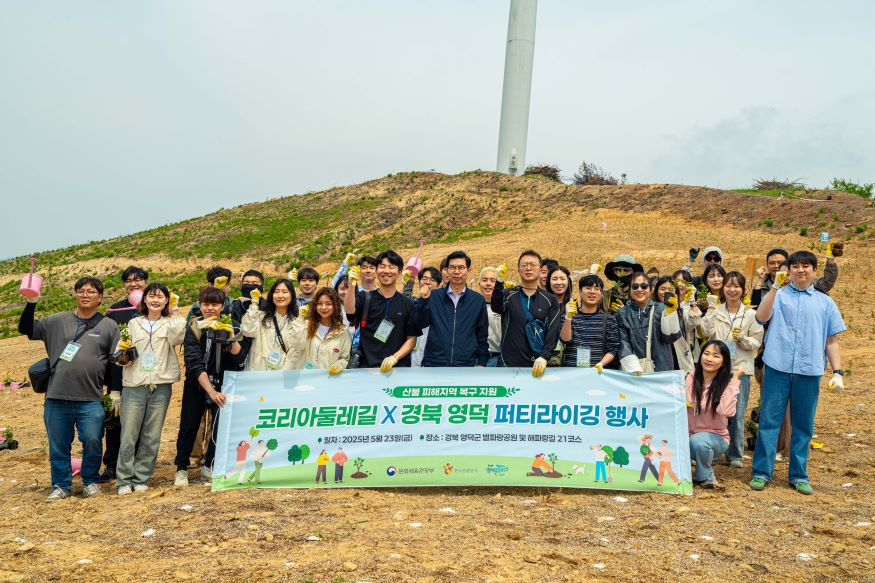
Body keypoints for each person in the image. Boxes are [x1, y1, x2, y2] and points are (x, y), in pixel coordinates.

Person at [750, 251, 846, 495]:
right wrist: (774, 288)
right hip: (777, 367)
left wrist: (838, 371)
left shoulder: (825, 302)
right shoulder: (778, 295)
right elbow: (761, 317)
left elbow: (831, 340)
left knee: (803, 425)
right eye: (796, 266)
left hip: (809, 371)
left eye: (806, 266)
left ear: (814, 271)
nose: (801, 270)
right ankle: (761, 472)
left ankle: (799, 475)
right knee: (770, 421)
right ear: (788, 270)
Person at [18, 276, 120, 500]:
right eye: (81, 290)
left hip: (90, 398)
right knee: (58, 446)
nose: (85, 294)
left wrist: (115, 392)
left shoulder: (109, 325)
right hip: (56, 397)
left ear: (100, 298)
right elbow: (25, 328)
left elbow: (115, 362)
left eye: (91, 291)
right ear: (75, 294)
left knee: (93, 440)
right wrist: (32, 301)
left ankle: (90, 481)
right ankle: (61, 486)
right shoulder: (55, 321)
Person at [114, 283, 186, 495]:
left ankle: (142, 477)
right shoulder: (134, 324)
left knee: (152, 435)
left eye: (161, 297)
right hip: (135, 385)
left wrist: (174, 312)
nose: (155, 300)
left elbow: (178, 337)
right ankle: (123, 480)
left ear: (166, 300)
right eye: (151, 296)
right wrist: (124, 356)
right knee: (129, 434)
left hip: (161, 385)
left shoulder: (171, 322)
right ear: (144, 300)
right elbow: (121, 352)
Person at [174, 286, 248, 487]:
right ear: (200, 305)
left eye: (215, 304)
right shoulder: (195, 327)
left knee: (219, 427)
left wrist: (230, 337)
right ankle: (181, 468)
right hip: (197, 384)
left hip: (223, 383)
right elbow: (194, 363)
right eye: (206, 304)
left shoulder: (230, 324)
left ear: (222, 305)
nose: (210, 308)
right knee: (189, 426)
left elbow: (240, 358)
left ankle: (209, 466)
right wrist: (210, 391)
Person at [699, 272, 763, 467]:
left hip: (740, 370)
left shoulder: (751, 314)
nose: (732, 290)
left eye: (737, 286)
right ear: (722, 289)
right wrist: (709, 310)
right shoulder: (716, 310)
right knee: (713, 411)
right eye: (728, 286)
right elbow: (704, 332)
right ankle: (716, 451)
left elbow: (756, 342)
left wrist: (743, 338)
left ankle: (735, 454)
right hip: (716, 368)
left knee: (736, 412)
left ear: (743, 290)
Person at [100, 265, 149, 483]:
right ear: (124, 284)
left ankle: (138, 464)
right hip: (119, 376)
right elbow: (110, 348)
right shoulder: (114, 311)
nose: (133, 283)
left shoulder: (152, 307)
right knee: (114, 422)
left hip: (144, 376)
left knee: (140, 423)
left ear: (146, 282)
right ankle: (111, 465)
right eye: (129, 280)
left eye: (138, 279)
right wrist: (113, 387)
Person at [344, 251, 419, 371]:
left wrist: (395, 357)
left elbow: (411, 339)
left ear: (399, 272)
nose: (386, 271)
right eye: (382, 266)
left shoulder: (407, 304)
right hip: (367, 369)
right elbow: (349, 310)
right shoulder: (365, 297)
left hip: (397, 369)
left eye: (391, 267)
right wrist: (352, 284)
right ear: (377, 271)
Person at [490, 250, 562, 377]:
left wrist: (544, 357)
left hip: (538, 365)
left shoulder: (550, 300)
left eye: (533, 265)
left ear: (540, 270)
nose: (528, 268)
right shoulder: (508, 294)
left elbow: (553, 330)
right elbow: (496, 308)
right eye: (524, 265)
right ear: (518, 270)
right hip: (508, 364)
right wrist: (499, 282)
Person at [413, 251, 489, 367]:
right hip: (434, 364)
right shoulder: (434, 296)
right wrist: (423, 301)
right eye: (452, 267)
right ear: (447, 270)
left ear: (469, 270)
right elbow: (420, 323)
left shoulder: (478, 300)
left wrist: (482, 363)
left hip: (465, 365)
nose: (457, 271)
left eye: (461, 267)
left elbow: (482, 335)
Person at [687, 340, 743, 487]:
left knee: (698, 442)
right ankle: (685, 472)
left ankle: (705, 475)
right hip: (687, 435)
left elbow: (726, 411)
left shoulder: (727, 384)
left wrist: (736, 379)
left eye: (716, 356)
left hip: (716, 438)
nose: (709, 359)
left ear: (724, 362)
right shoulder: (691, 377)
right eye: (706, 354)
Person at [616, 272, 683, 374]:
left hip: (662, 368)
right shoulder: (623, 313)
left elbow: (671, 338)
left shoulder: (661, 308)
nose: (639, 289)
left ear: (651, 290)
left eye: (644, 286)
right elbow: (624, 343)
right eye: (635, 286)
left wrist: (671, 314)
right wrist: (634, 369)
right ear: (629, 291)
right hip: (635, 372)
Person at [559, 275, 619, 370]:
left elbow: (613, 349)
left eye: (597, 289)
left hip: (596, 373)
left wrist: (601, 364)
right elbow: (565, 340)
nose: (592, 292)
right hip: (570, 372)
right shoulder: (569, 316)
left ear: (601, 293)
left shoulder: (609, 320)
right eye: (588, 288)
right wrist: (568, 317)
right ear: (579, 292)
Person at [240, 278, 300, 371]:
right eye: (276, 292)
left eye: (284, 292)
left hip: (280, 375)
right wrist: (254, 303)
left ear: (292, 295)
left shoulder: (296, 322)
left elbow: (298, 348)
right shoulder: (260, 316)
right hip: (257, 371)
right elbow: (248, 331)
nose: (280, 295)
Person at [291, 287, 351, 373]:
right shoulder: (306, 325)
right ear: (315, 305)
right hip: (305, 379)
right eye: (319, 303)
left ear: (335, 306)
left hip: (328, 379)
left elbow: (344, 358)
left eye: (328, 304)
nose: (323, 307)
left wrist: (340, 364)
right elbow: (295, 346)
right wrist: (300, 320)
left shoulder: (342, 332)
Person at [653, 275, 697, 372]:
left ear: (676, 292)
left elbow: (694, 323)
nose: (666, 292)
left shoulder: (680, 311)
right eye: (663, 289)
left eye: (671, 289)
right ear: (656, 291)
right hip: (660, 357)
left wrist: (691, 300)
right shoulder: (651, 310)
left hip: (680, 357)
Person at [409, 267, 441, 367]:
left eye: (432, 280)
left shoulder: (443, 308)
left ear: (439, 285)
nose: (428, 282)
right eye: (424, 279)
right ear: (419, 283)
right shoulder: (413, 304)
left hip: (434, 362)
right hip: (414, 360)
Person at [478, 266, 502, 366]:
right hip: (476, 358)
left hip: (498, 358)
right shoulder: (473, 306)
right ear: (479, 284)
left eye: (493, 280)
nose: (488, 283)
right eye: (484, 280)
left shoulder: (505, 306)